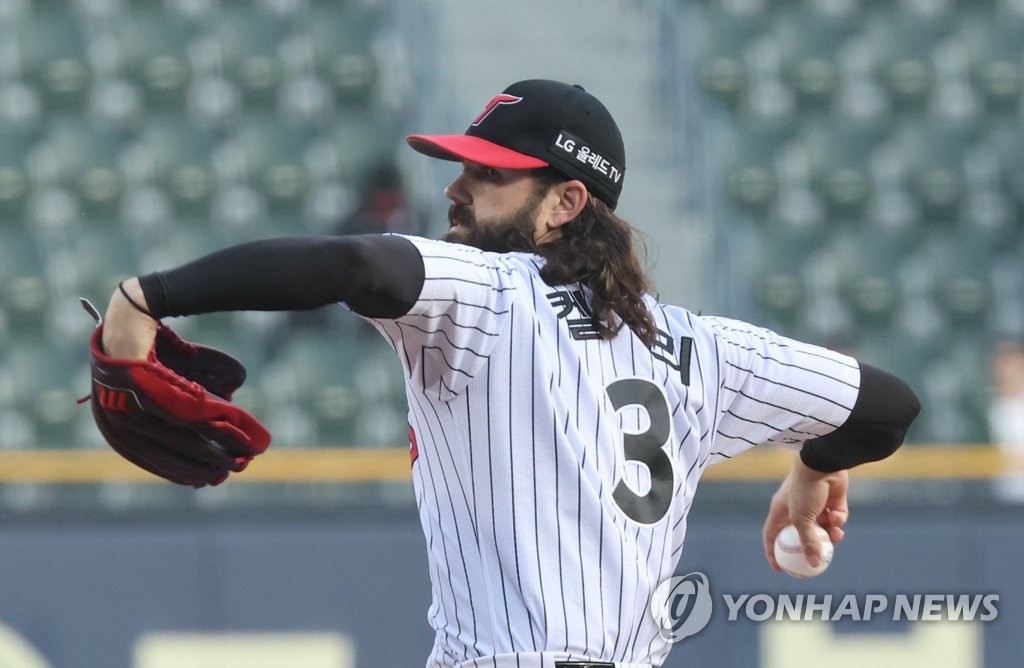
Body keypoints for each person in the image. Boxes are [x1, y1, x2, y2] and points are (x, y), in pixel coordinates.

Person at [99, 79, 920, 667]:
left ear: (565, 203)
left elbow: (353, 263)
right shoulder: (702, 349)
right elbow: (887, 405)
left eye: (488, 174)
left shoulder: (491, 292)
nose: (455, 187)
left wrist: (152, 296)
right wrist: (815, 465)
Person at [988, 339, 1024, 503]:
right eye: (1002, 363)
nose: (1006, 370)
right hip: (995, 502)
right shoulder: (986, 409)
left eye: (1013, 363)